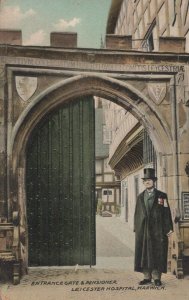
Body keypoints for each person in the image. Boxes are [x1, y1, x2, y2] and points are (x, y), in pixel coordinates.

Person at [134, 168, 173, 286]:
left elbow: (167, 212)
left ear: (154, 181)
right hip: (144, 230)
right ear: (143, 182)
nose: (147, 182)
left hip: (158, 230)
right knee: (144, 253)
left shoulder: (162, 196)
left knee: (157, 253)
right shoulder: (140, 197)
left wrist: (168, 228)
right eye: (145, 180)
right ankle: (146, 277)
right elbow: (137, 213)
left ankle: (157, 277)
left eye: (149, 180)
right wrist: (136, 228)